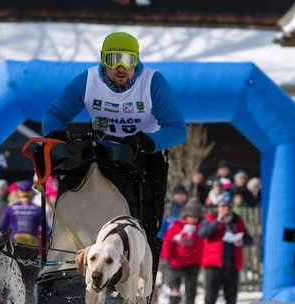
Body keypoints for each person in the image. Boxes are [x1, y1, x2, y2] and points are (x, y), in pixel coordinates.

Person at [41, 31, 186, 286]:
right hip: (104, 148)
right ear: (102, 61)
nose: (121, 68)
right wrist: (54, 136)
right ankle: (71, 264)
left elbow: (177, 128)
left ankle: (142, 280)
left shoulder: (152, 82)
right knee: (80, 193)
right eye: (113, 59)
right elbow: (55, 113)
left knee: (148, 216)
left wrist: (147, 141)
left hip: (146, 151)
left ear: (136, 62)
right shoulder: (87, 81)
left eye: (128, 61)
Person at [198, 192, 253, 304]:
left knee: (231, 300)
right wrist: (217, 221)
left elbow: (249, 239)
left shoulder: (237, 220)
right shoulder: (210, 218)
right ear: (218, 207)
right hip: (214, 264)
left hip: (232, 265)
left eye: (228, 206)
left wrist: (242, 241)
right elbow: (202, 234)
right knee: (210, 298)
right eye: (223, 206)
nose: (226, 209)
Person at [0, 180, 42, 304]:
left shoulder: (10, 208)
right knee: (29, 276)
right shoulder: (37, 209)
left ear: (18, 192)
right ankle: (28, 300)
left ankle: (13, 301)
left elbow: (2, 227)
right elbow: (47, 229)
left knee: (15, 274)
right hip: (32, 247)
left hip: (14, 247)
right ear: (31, 193)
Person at [160, 199, 204, 304]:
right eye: (190, 216)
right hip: (176, 263)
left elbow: (203, 245)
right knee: (174, 288)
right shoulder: (177, 226)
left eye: (195, 217)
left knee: (191, 288)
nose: (192, 219)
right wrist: (166, 256)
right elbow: (167, 240)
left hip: (193, 263)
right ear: (185, 216)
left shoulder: (201, 228)